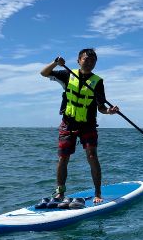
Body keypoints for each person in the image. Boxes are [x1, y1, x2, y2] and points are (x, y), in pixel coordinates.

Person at [40, 48, 119, 204]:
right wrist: (55, 63)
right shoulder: (67, 74)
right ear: (78, 60)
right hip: (68, 123)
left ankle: (98, 193)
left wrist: (110, 111)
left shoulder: (98, 81)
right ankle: (60, 192)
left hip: (88, 125)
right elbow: (43, 73)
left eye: (93, 61)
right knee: (63, 158)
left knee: (92, 156)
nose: (89, 63)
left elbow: (101, 107)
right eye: (86, 60)